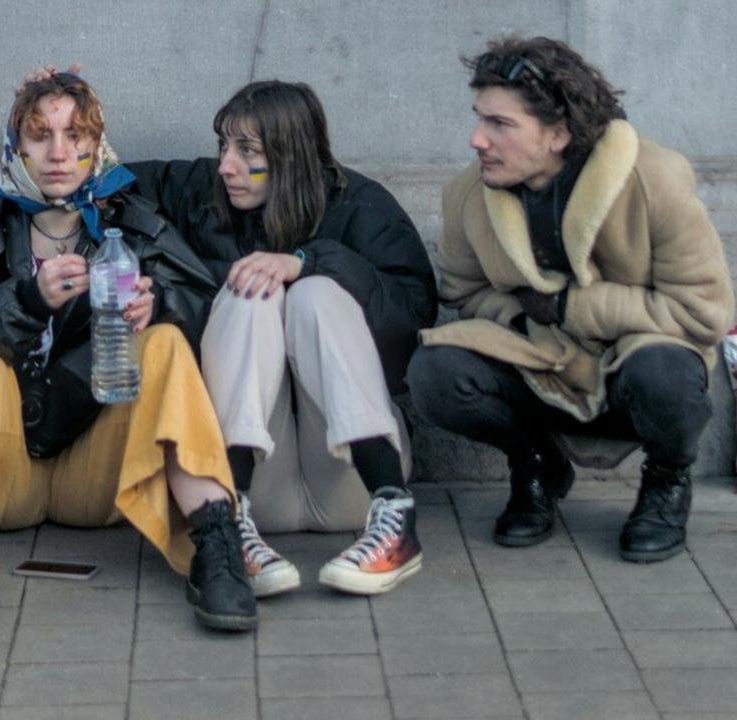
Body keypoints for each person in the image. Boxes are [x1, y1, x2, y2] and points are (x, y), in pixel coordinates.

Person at [0, 72, 256, 659]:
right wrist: (26, 301)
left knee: (164, 343)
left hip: (103, 475)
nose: (58, 153)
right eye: (40, 135)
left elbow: (210, 312)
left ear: (96, 145)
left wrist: (161, 304)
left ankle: (216, 545)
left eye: (75, 135)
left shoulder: (132, 224)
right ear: (16, 148)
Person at [409, 36, 733, 561]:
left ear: (558, 133)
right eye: (479, 118)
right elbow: (464, 292)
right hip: (540, 365)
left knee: (666, 373)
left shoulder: (653, 178)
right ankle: (535, 463)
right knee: (435, 371)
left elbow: (704, 311)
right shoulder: (469, 194)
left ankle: (666, 480)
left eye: (500, 124)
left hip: (633, 371)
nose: (476, 139)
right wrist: (522, 320)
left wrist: (569, 308)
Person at [118, 79, 438, 597]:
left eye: (248, 151)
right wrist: (56, 103)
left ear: (291, 157)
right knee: (251, 289)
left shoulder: (360, 206)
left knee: (314, 292)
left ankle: (394, 514)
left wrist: (308, 262)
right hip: (251, 485)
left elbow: (411, 324)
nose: (227, 165)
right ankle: (231, 526)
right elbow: (98, 178)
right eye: (224, 145)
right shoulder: (203, 194)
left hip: (350, 479)